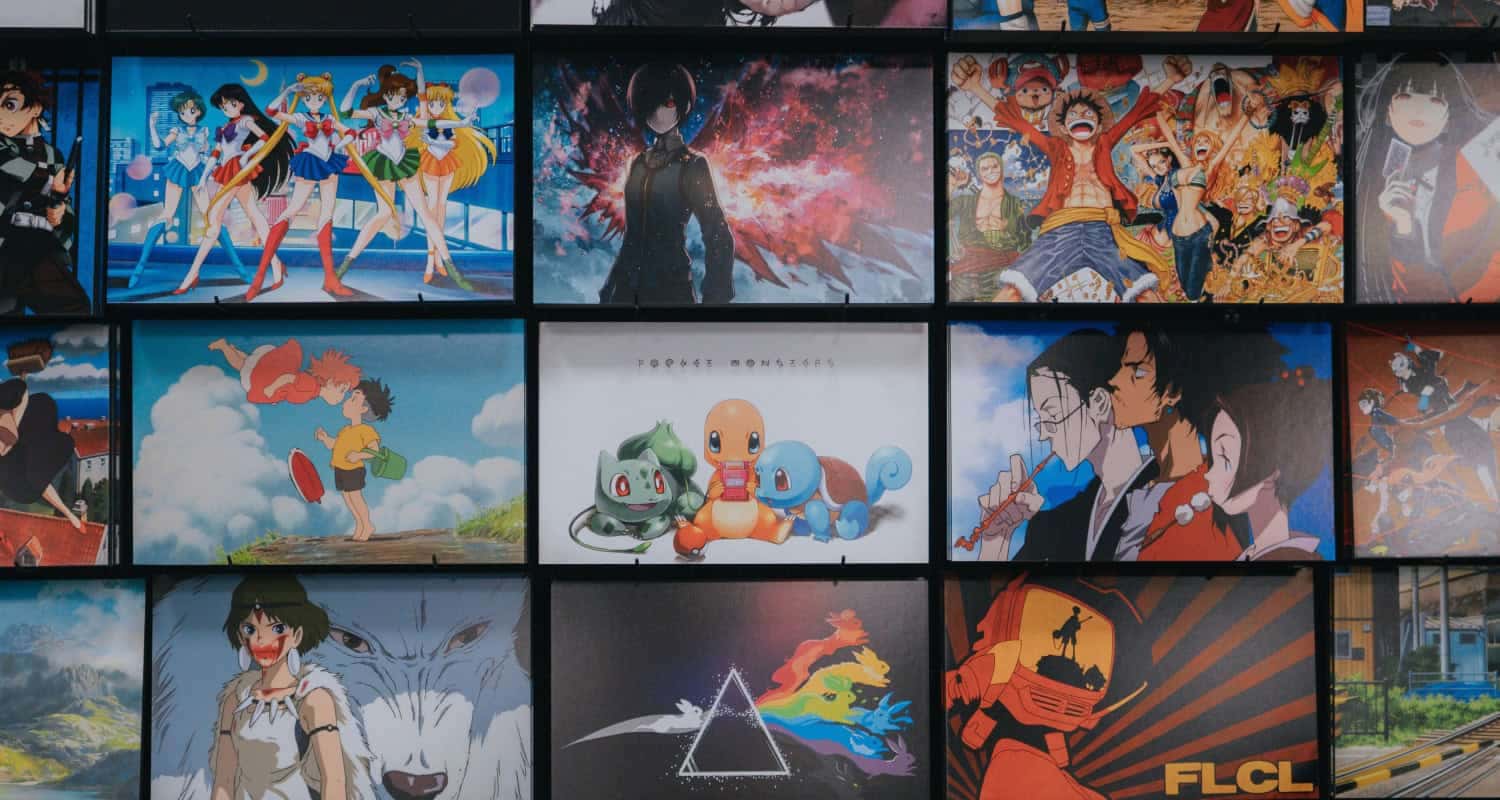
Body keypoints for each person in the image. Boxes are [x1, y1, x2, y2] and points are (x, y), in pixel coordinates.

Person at [950, 54, 1188, 303]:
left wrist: (1171, 80)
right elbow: (1017, 122)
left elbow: (1136, 112)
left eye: (1088, 113)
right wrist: (975, 87)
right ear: (1063, 127)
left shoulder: (1105, 143)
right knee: (1013, 291)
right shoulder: (1055, 148)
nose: (1081, 115)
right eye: (1073, 114)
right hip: (1060, 231)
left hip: (1103, 232)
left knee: (1144, 293)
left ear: (1099, 125)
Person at [1105, 324, 1286, 560]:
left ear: (1172, 392)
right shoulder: (1143, 481)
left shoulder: (1208, 501)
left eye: (1138, 372)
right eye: (1121, 367)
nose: (1114, 380)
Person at [973, 329, 1155, 562]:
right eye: (1041, 420)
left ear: (1099, 403)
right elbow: (1006, 588)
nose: (1043, 435)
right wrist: (996, 539)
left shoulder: (1164, 492)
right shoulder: (1054, 525)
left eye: (1053, 415)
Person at [210, 575, 371, 800]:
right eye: (250, 629)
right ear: (240, 635)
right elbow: (224, 781)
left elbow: (334, 781)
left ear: (297, 635)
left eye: (277, 628)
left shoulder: (313, 698)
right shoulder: (235, 700)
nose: (261, 640)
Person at [1358, 54, 1500, 302]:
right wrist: (1403, 225)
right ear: (1388, 112)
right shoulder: (1376, 180)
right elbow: (1397, 283)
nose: (1419, 109)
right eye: (1405, 96)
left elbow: (1481, 259)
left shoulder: (1476, 172)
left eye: (1435, 100)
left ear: (1447, 119)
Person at [598, 63, 735, 305]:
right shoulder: (638, 163)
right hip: (625, 291)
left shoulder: (693, 165)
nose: (658, 113)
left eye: (669, 103)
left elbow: (718, 233)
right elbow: (631, 237)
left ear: (685, 105)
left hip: (671, 291)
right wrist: (609, 289)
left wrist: (715, 298)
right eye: (650, 103)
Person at [174, 84, 293, 297]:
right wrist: (203, 178)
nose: (226, 108)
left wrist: (246, 157)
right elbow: (216, 153)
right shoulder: (225, 126)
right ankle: (276, 265)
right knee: (254, 217)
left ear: (241, 103)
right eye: (223, 106)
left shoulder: (246, 120)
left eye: (230, 104)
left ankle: (192, 274)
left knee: (214, 222)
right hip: (227, 171)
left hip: (237, 170)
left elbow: (265, 139)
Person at [1202, 367, 1331, 560]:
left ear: (1272, 468)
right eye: (1214, 458)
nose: (1208, 474)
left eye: (1225, 457)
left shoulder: (1292, 560)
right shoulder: (1254, 555)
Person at [254, 74, 356, 299]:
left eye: (318, 97)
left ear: (325, 97)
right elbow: (271, 111)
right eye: (308, 97)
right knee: (291, 210)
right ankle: (260, 275)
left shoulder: (329, 117)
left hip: (329, 162)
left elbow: (350, 132)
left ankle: (330, 279)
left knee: (326, 216)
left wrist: (340, 146)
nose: (314, 101)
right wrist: (288, 90)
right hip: (310, 161)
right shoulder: (301, 117)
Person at [0, 69, 91, 314]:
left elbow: (63, 203)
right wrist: (51, 183)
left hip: (40, 248)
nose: (0, 115)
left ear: (36, 108)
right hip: (6, 243)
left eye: (9, 104)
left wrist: (59, 211)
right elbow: (12, 167)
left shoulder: (52, 154)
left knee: (76, 308)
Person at [406, 59, 495, 288]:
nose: (435, 107)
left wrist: (439, 140)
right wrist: (420, 71)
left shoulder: (448, 123)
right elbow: (422, 95)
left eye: (440, 103)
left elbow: (453, 141)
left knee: (441, 208)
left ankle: (437, 259)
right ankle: (430, 261)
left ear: (445, 103)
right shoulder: (425, 119)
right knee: (431, 210)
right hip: (429, 164)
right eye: (432, 103)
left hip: (447, 165)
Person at [128, 88, 221, 289]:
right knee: (167, 215)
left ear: (199, 111)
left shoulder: (204, 131)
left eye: (191, 110)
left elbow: (208, 152)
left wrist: (212, 164)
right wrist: (152, 125)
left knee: (210, 216)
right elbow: (159, 145)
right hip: (178, 169)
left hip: (197, 171)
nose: (187, 114)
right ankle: (139, 268)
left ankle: (239, 267)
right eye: (182, 111)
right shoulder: (176, 130)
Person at [315, 378, 394, 542]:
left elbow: (374, 451)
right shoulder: (345, 430)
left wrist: (358, 455)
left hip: (353, 469)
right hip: (339, 468)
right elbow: (334, 445)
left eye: (353, 399)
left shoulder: (365, 430)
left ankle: (367, 524)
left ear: (363, 408)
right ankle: (359, 524)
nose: (346, 402)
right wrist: (324, 438)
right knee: (348, 498)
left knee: (356, 497)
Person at [208, 337, 360, 407]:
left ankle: (232, 349)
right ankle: (224, 346)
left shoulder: (312, 391)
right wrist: (271, 389)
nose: (341, 397)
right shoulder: (310, 386)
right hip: (270, 381)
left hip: (274, 380)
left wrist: (277, 395)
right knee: (242, 366)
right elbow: (288, 378)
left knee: (247, 363)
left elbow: (290, 389)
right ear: (330, 381)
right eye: (341, 390)